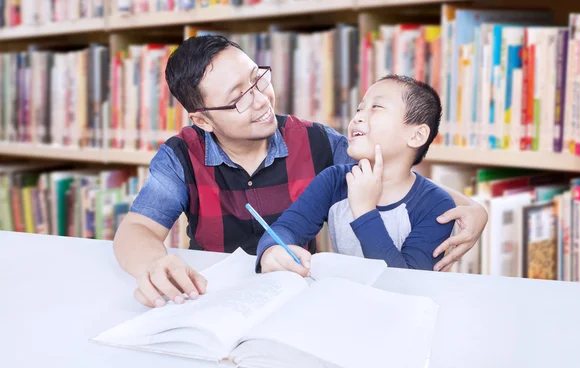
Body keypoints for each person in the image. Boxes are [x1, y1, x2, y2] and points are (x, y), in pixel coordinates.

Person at [112, 35, 488, 308]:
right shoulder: (181, 154)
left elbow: (392, 173)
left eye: (258, 79)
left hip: (296, 299)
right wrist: (154, 265)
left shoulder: (316, 142)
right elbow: (138, 229)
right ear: (203, 120)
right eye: (238, 99)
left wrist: (472, 206)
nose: (261, 101)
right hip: (211, 298)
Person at [256, 75, 455, 274]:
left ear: (416, 136)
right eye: (360, 108)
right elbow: (287, 228)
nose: (357, 117)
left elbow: (406, 282)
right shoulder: (334, 180)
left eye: (376, 108)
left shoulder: (436, 205)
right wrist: (272, 250)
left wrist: (364, 210)